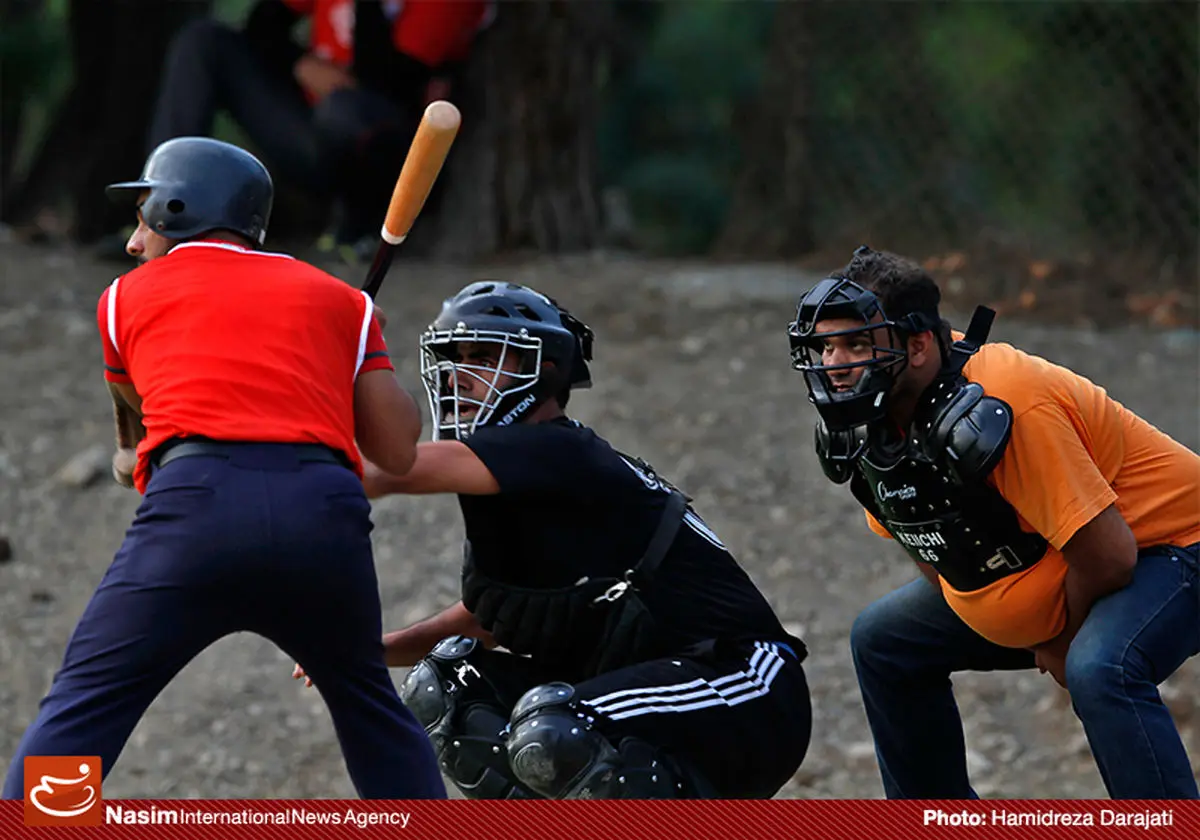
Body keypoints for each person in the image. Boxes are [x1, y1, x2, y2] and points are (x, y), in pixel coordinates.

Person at [1, 136, 446, 800]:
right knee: (372, 714)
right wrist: (362, 341)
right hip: (320, 518)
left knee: (85, 706)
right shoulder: (338, 303)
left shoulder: (122, 301)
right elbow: (397, 450)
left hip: (196, 511)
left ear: (179, 207)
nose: (132, 242)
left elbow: (143, 415)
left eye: (143, 217)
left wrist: (132, 460)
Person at [295, 280, 812, 799]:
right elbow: (492, 617)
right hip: (648, 686)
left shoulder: (558, 451)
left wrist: (284, 438)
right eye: (453, 358)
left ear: (540, 370)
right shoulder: (504, 484)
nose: (459, 375)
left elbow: (388, 471)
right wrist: (369, 651)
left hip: (747, 688)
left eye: (483, 357)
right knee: (449, 685)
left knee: (556, 725)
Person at [787, 245, 1200, 800]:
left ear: (917, 346)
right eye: (826, 347)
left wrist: (1055, 637)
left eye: (857, 344)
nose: (836, 367)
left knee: (1099, 666)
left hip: (1175, 546)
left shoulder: (1008, 402)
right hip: (1072, 559)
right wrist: (1018, 621)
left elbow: (1110, 556)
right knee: (885, 640)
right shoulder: (869, 414)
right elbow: (928, 544)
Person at [142, 0, 491, 258]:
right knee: (204, 41)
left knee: (344, 111)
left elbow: (394, 80)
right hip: (310, 132)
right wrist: (300, 63)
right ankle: (163, 210)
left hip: (388, 153)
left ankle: (359, 232)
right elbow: (263, 27)